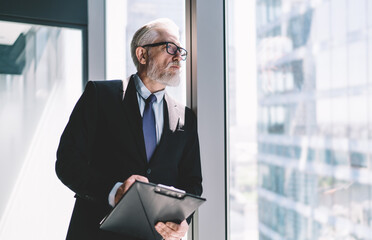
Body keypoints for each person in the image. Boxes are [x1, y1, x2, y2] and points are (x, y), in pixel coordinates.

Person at [56, 18, 202, 240]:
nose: (177, 57)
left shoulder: (186, 118)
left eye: (180, 51)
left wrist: (183, 222)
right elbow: (67, 163)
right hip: (94, 233)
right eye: (170, 47)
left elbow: (192, 183)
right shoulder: (99, 95)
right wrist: (113, 192)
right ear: (142, 54)